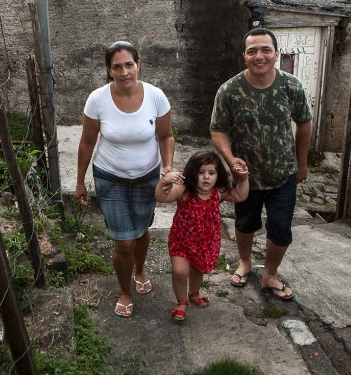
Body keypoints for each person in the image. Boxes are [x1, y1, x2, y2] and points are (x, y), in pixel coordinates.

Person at [210, 28, 312, 301]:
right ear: (244, 56)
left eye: (266, 50)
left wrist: (302, 163)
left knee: (281, 229)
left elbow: (304, 124)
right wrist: (231, 160)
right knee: (245, 224)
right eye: (252, 51)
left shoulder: (291, 86)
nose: (259, 56)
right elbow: (218, 130)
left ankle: (269, 274)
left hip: (283, 174)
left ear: (276, 54)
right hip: (246, 177)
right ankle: (245, 262)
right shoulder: (229, 91)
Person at [76, 41, 175, 318]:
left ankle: (139, 270)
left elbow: (166, 136)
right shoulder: (97, 100)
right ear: (109, 70)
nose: (124, 72)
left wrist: (167, 166)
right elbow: (86, 142)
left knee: (141, 232)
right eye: (117, 67)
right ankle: (124, 290)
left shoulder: (156, 96)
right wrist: (80, 181)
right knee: (124, 242)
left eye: (129, 65)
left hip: (147, 178)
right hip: (110, 178)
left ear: (138, 65)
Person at [156, 150, 248, 321]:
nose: (206, 177)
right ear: (192, 173)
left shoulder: (217, 192)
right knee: (180, 271)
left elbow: (239, 195)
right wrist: (164, 181)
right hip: (181, 241)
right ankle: (182, 301)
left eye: (211, 173)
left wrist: (243, 179)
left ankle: (194, 292)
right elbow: (162, 197)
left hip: (205, 243)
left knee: (198, 269)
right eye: (201, 172)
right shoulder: (184, 192)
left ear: (218, 175)